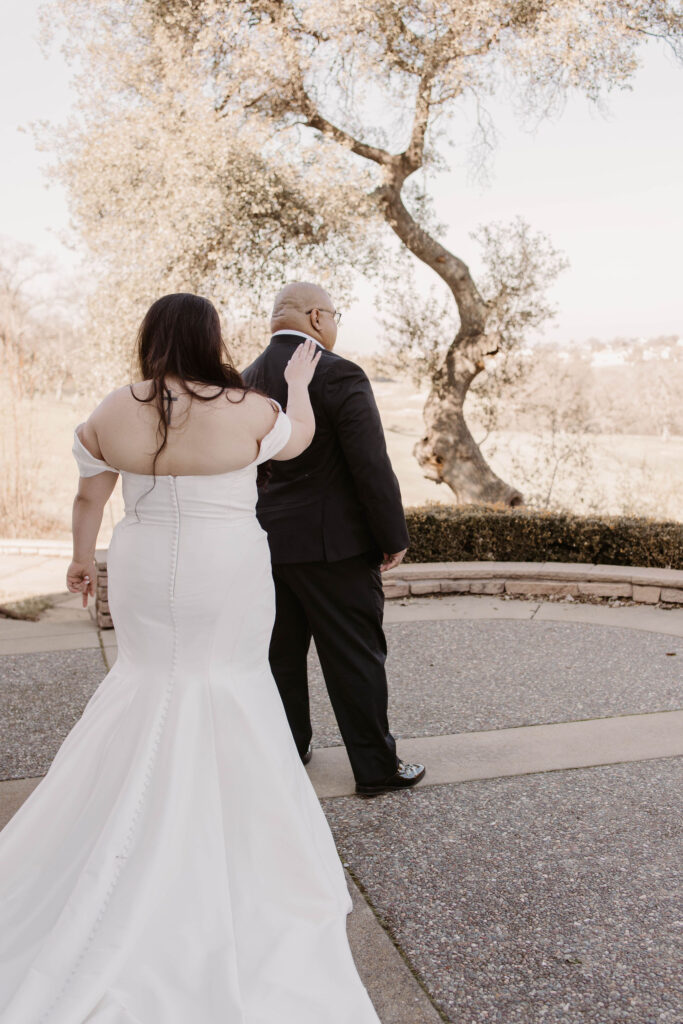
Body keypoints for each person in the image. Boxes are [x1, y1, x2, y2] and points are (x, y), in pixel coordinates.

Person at [0, 293, 382, 1023]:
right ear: (211, 339)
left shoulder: (114, 408)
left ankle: (117, 829)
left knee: (149, 680)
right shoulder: (244, 406)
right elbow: (298, 438)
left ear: (150, 338)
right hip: (226, 566)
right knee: (228, 681)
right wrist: (297, 387)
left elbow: (89, 495)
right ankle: (224, 836)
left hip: (142, 563)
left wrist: (81, 560)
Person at [242, 282, 425, 796]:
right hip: (336, 548)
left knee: (278, 654)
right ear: (318, 317)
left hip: (265, 544)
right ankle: (375, 768)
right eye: (337, 315)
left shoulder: (242, 381)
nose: (337, 325)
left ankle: (289, 747)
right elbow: (370, 464)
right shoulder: (340, 372)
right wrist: (392, 536)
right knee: (354, 657)